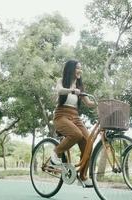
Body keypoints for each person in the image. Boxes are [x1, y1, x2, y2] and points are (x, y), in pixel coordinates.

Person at [51, 59, 95, 187]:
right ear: (71, 69)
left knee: (88, 142)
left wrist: (99, 103)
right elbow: (59, 91)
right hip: (61, 115)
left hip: (75, 117)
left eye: (81, 68)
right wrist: (71, 90)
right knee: (76, 134)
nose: (80, 70)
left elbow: (88, 103)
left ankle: (82, 176)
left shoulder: (80, 87)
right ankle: (56, 152)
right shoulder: (61, 81)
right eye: (77, 68)